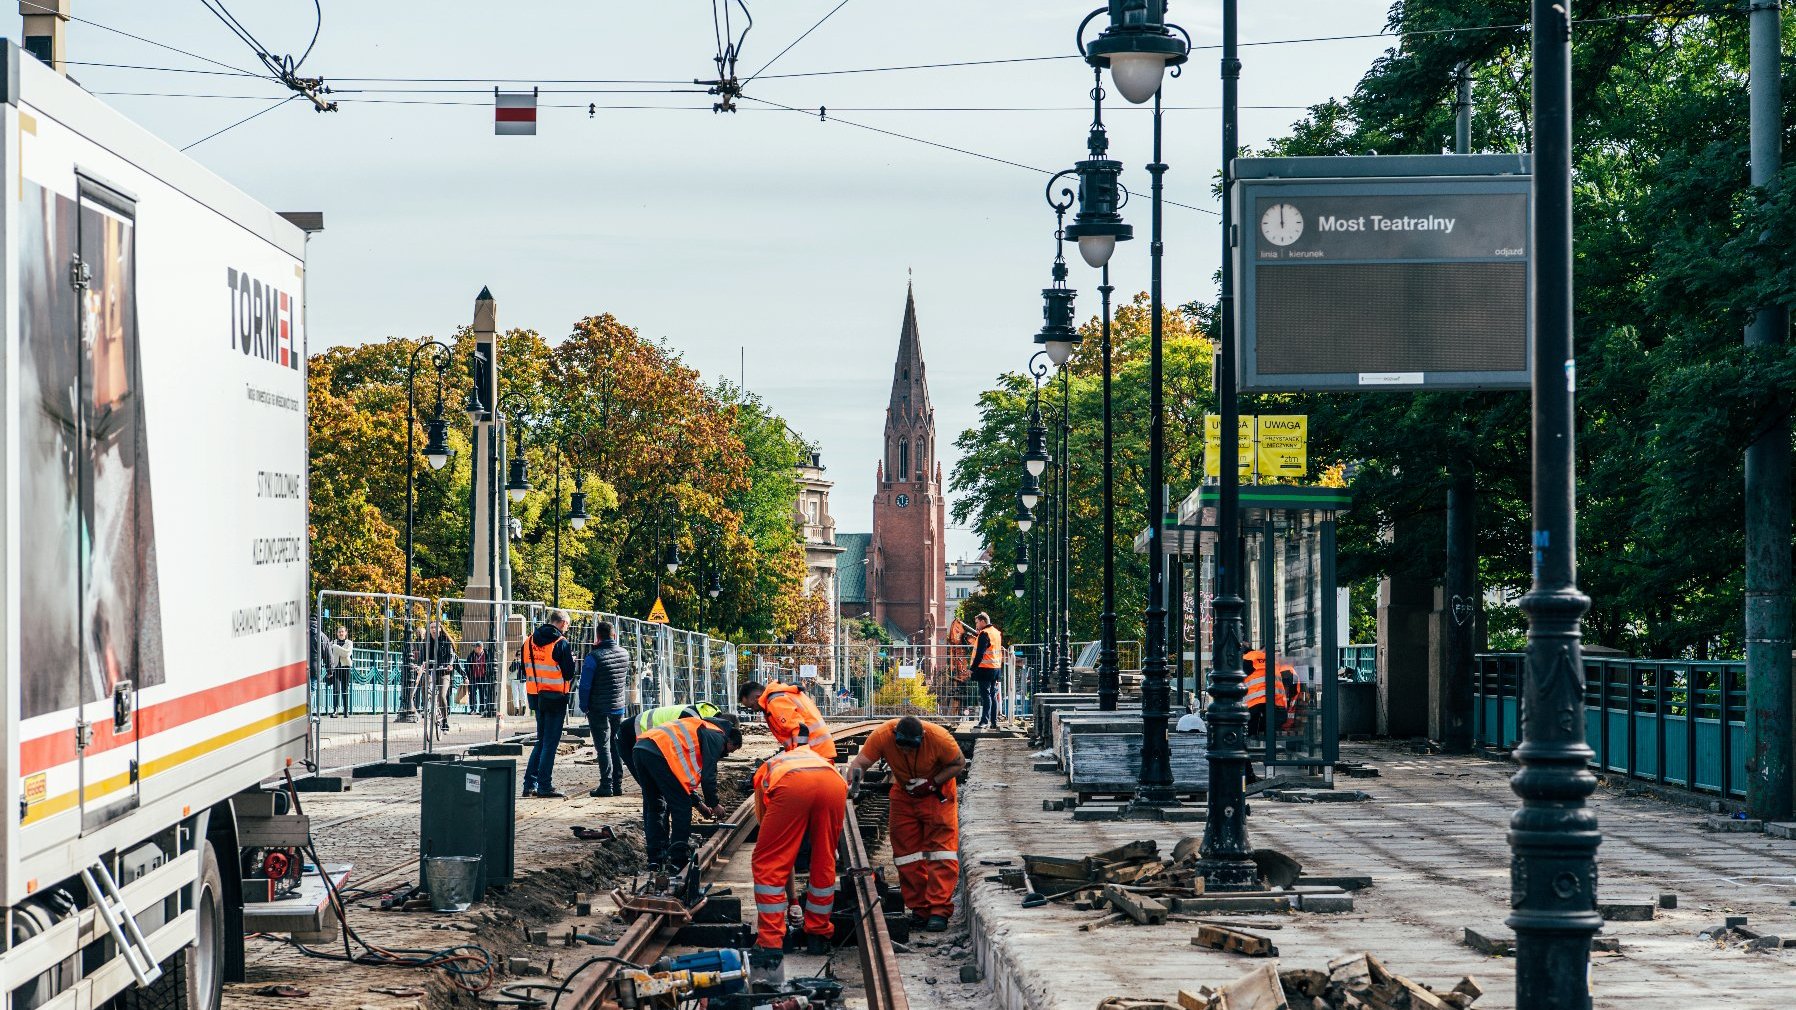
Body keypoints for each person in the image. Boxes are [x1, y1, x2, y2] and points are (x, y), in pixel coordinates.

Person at [845, 715, 966, 931]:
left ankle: (938, 910)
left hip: (937, 795)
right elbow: (861, 763)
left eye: (912, 747)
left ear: (923, 737)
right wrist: (853, 784)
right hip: (904, 794)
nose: (907, 752)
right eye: (903, 747)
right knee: (906, 855)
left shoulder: (940, 739)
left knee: (941, 852)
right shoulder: (883, 735)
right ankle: (920, 909)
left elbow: (959, 763)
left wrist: (932, 783)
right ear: (895, 737)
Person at [749, 746, 848, 982]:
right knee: (824, 858)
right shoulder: (809, 757)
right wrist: (793, 901)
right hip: (833, 783)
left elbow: (779, 858)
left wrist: (792, 900)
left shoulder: (764, 774)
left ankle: (771, 943)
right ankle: (818, 933)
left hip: (791, 785)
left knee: (767, 862)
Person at [632, 712, 742, 872]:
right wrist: (714, 804)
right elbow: (708, 776)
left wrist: (699, 804)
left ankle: (655, 859)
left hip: (642, 749)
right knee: (681, 808)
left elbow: (680, 779)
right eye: (731, 751)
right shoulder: (717, 736)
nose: (725, 755)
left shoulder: (700, 727)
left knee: (655, 806)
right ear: (730, 741)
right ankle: (678, 860)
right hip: (660, 753)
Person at [520, 610, 578, 798]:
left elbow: (524, 668)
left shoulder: (528, 641)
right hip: (554, 697)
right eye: (567, 626)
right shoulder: (560, 643)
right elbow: (569, 673)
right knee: (550, 743)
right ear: (562, 623)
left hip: (535, 696)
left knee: (541, 740)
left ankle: (530, 784)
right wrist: (572, 662)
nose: (567, 630)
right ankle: (545, 785)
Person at [580, 621, 631, 797]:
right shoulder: (625, 654)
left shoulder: (593, 657)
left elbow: (585, 685)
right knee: (615, 746)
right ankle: (617, 785)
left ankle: (606, 785)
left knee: (603, 747)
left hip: (598, 708)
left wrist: (584, 706)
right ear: (614, 635)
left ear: (598, 637)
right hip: (617, 707)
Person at [738, 679, 836, 761]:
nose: (753, 710)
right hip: (816, 751)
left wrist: (799, 757)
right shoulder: (780, 695)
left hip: (814, 754)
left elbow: (799, 729)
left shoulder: (775, 701)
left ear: (757, 697)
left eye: (751, 706)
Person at [1243, 649, 1292, 738]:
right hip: (1277, 704)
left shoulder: (1248, 658)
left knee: (1252, 737)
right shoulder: (1271, 660)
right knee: (1270, 738)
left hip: (1256, 704)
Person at [967, 612, 1004, 729]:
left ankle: (984, 721)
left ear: (983, 621)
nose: (976, 625)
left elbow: (980, 654)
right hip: (996, 668)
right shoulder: (996, 633)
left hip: (985, 669)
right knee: (993, 695)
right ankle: (994, 722)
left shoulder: (984, 634)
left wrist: (972, 669)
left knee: (986, 695)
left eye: (977, 622)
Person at [421, 620, 458, 732]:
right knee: (423, 685)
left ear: (440, 629)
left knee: (442, 696)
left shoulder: (446, 641)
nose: (433, 629)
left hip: (443, 672)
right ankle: (426, 706)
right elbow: (422, 656)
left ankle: (445, 720)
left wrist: (449, 665)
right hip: (431, 670)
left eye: (435, 627)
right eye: (431, 627)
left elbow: (452, 656)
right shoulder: (426, 642)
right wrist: (421, 665)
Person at [465, 640, 493, 717]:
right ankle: (473, 709)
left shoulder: (487, 654)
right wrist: (468, 676)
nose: (474, 648)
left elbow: (490, 666)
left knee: (483, 693)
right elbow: (467, 666)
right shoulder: (471, 655)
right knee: (473, 693)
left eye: (475, 647)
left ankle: (482, 709)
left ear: (480, 647)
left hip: (483, 677)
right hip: (473, 677)